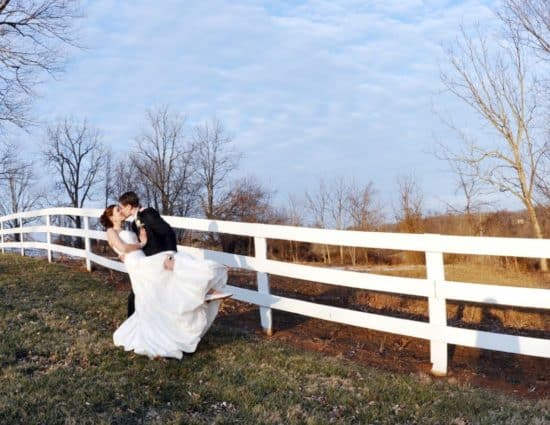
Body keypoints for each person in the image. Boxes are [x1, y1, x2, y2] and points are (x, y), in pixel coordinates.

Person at [100, 204, 231, 359]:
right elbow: (121, 246)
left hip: (141, 259)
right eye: (117, 210)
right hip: (137, 265)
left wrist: (136, 245)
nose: (121, 211)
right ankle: (202, 290)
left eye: (121, 209)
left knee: (162, 288)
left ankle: (202, 290)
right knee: (167, 264)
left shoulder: (129, 228)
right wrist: (139, 244)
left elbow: (127, 247)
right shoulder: (110, 231)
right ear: (110, 217)